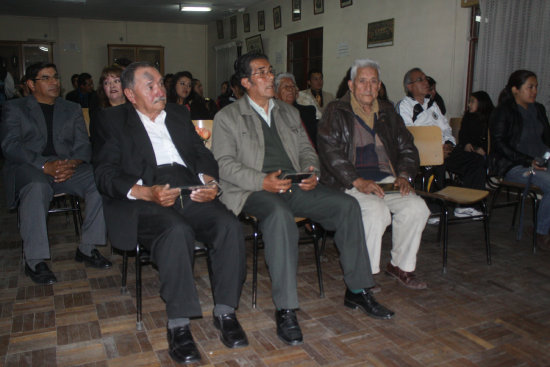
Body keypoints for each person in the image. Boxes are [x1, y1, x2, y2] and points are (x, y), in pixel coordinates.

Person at [212, 52, 394, 346]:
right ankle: (286, 309)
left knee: (347, 206)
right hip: (252, 190)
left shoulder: (288, 112)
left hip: (294, 185)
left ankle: (358, 291)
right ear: (245, 82)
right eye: (261, 73)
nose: (270, 77)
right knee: (280, 217)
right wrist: (262, 180)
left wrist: (312, 172)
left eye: (270, 71)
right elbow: (223, 165)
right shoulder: (227, 117)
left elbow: (308, 151)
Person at [92, 62, 248, 364]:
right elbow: (104, 173)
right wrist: (145, 191)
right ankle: (178, 326)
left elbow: (201, 153)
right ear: (129, 94)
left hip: (189, 187)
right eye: (149, 85)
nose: (160, 90)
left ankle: (225, 312)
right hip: (145, 196)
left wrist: (210, 182)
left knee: (228, 224)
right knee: (177, 231)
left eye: (161, 83)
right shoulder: (110, 120)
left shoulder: (177, 114)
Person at [318, 59, 429, 290]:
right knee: (376, 212)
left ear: (379, 86)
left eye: (373, 82)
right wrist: (357, 180)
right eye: (362, 81)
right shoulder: (335, 111)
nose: (368, 87)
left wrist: (404, 174)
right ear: (351, 85)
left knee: (417, 208)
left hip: (386, 180)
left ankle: (401, 266)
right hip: (348, 181)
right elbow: (330, 152)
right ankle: (364, 275)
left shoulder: (388, 112)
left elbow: (407, 147)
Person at [0, 62, 110, 285]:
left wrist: (72, 163)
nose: (54, 82)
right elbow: (10, 145)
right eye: (46, 78)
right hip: (29, 169)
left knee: (101, 181)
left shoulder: (70, 108)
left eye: (56, 77)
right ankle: (35, 260)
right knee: (37, 187)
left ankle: (87, 248)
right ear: (31, 84)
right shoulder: (16, 108)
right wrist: (44, 166)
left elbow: (83, 144)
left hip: (66, 167)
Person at [397, 67, 486, 217]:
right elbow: (408, 134)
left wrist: (449, 144)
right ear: (409, 86)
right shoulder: (405, 106)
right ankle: (433, 210)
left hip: (443, 150)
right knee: (437, 164)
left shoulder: (433, 105)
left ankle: (466, 206)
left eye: (426, 79)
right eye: (421, 80)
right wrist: (435, 149)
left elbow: (446, 129)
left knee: (475, 160)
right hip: (423, 153)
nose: (426, 82)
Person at [490, 69, 550, 250]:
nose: (534, 91)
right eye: (530, 87)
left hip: (542, 161)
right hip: (514, 166)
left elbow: (546, 137)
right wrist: (527, 161)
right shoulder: (503, 111)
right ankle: (541, 232)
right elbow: (499, 144)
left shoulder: (538, 109)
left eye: (536, 87)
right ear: (515, 89)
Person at [274, 72, 318, 149]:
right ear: (276, 93)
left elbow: (312, 141)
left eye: (293, 86)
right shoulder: (271, 113)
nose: (290, 89)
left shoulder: (308, 112)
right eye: (286, 86)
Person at [459, 91, 494, 158]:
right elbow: (462, 133)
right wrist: (466, 144)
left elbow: (491, 140)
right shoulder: (468, 116)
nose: (469, 105)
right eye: (469, 102)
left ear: (481, 103)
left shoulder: (491, 117)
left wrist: (482, 150)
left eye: (472, 102)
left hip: (483, 152)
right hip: (468, 150)